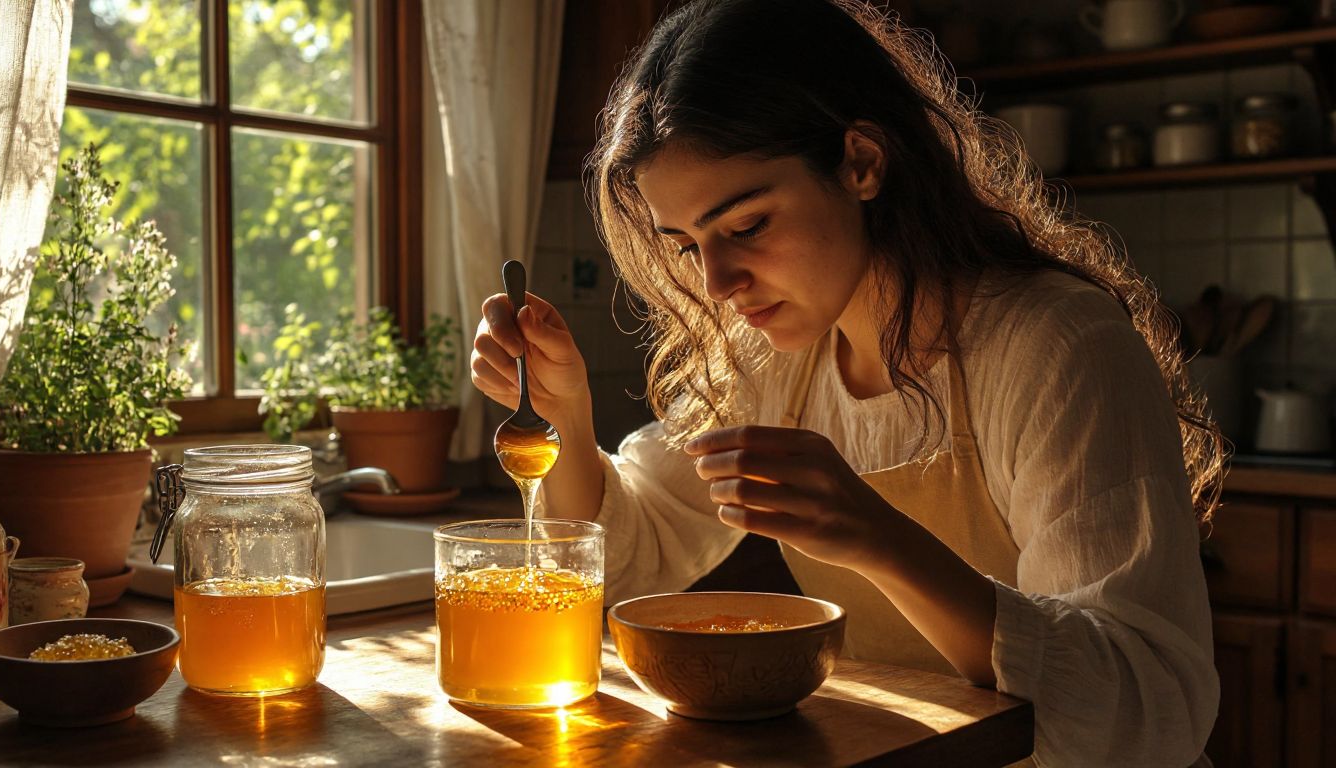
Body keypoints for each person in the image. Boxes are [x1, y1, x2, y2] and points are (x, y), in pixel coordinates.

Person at [470, 1, 1221, 764]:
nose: (719, 281)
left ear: (861, 162)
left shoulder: (1057, 346)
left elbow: (1144, 712)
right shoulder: (775, 358)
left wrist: (882, 538)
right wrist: (564, 408)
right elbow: (631, 553)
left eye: (748, 226)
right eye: (689, 244)